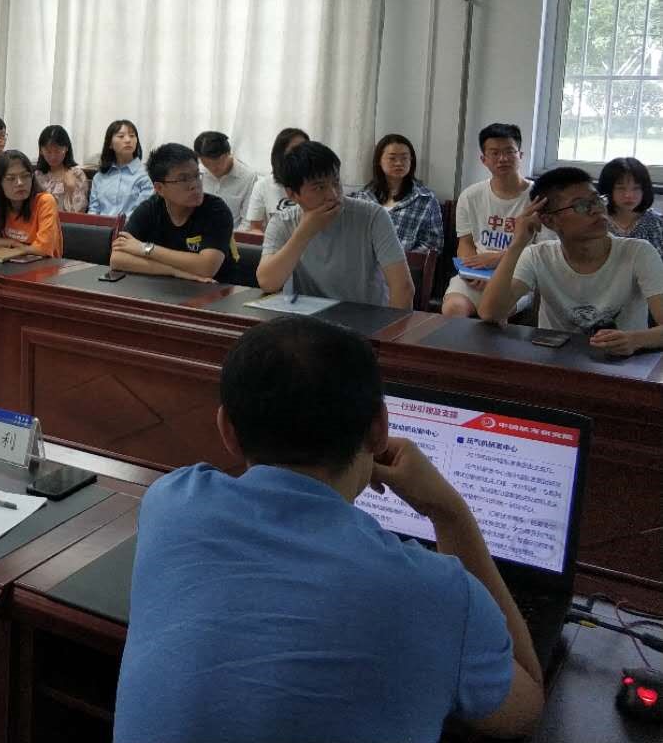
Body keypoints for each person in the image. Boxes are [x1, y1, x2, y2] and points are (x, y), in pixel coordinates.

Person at [113, 316, 543, 743]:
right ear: (379, 428)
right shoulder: (440, 594)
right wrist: (448, 512)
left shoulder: (169, 502)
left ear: (227, 429)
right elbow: (525, 711)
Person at [480, 166, 663, 350]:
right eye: (581, 206)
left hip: (621, 361)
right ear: (549, 220)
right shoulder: (537, 256)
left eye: (597, 200)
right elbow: (491, 313)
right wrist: (517, 244)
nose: (596, 210)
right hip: (555, 359)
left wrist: (635, 340)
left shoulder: (638, 252)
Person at [257, 141, 413, 308]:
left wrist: (390, 326)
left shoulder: (373, 217)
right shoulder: (283, 222)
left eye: (336, 182)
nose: (333, 194)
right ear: (293, 194)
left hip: (367, 316)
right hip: (309, 318)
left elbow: (403, 288)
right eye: (319, 187)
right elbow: (267, 282)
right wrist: (304, 232)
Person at [442, 124, 542, 318]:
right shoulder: (470, 196)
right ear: (484, 159)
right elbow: (465, 243)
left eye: (509, 151)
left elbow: (542, 250)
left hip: (519, 274)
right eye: (494, 153)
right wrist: (473, 273)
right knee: (453, 309)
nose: (502, 158)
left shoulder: (537, 197)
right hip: (478, 273)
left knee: (494, 315)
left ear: (520, 155)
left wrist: (497, 259)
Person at [111, 143, 242, 284]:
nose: (195, 185)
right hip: (165, 287)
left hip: (216, 290)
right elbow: (117, 259)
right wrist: (175, 271)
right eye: (183, 179)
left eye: (196, 175)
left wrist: (146, 248)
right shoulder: (150, 208)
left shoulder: (216, 209)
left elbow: (206, 268)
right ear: (160, 188)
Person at [352, 133, 444, 252]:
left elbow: (433, 245)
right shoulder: (362, 197)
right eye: (392, 158)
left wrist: (398, 259)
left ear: (411, 161)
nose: (399, 163)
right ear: (379, 160)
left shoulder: (425, 199)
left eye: (404, 158)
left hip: (404, 262)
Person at [0, 150, 62, 257]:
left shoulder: (45, 201)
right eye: (11, 178)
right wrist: (10, 243)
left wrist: (18, 249)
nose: (20, 183)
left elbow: (43, 249)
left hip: (44, 265)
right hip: (10, 263)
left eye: (25, 176)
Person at [246, 127, 309, 232]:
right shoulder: (263, 186)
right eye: (295, 150)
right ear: (280, 155)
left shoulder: (315, 184)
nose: (301, 155)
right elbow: (255, 227)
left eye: (304, 149)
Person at [599, 156, 663, 257]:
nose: (628, 195)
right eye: (621, 188)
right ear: (608, 189)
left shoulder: (658, 223)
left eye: (636, 188)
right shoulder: (595, 222)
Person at [88, 119, 152, 219]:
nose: (128, 140)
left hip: (131, 227)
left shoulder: (146, 175)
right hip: (100, 227)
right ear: (110, 144)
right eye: (121, 136)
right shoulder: (99, 177)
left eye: (132, 136)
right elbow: (93, 210)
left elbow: (141, 214)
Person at [194, 130, 257, 231]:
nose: (213, 168)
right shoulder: (196, 173)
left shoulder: (248, 177)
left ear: (228, 153)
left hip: (232, 235)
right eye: (207, 164)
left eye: (218, 163)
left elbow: (247, 222)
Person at [33, 124, 90, 213]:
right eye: (48, 151)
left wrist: (71, 189)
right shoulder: (37, 176)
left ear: (66, 148)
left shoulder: (77, 174)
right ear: (41, 151)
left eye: (58, 151)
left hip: (69, 221)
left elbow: (80, 212)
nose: (53, 156)